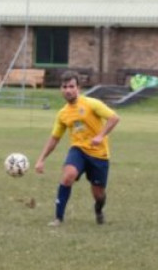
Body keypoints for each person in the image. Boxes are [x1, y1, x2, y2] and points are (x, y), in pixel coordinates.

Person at [35, 71, 120, 227]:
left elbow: (114, 118)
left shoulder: (91, 104)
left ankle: (99, 210)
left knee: (99, 194)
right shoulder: (62, 114)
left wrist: (100, 136)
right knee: (68, 175)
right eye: (64, 87)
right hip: (78, 151)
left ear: (78, 88)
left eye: (71, 86)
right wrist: (41, 160)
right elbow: (55, 138)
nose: (68, 90)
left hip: (99, 154)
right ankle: (58, 218)